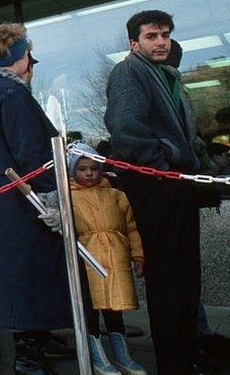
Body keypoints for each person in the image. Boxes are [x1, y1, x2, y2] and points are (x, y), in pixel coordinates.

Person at [0, 23, 71, 374]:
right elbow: (30, 150)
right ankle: (28, 355)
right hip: (25, 199)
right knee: (31, 272)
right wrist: (50, 197)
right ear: (20, 56)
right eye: (28, 54)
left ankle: (36, 338)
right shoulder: (12, 94)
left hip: (5, 199)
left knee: (21, 271)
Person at [105, 10, 202, 374]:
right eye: (151, 36)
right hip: (158, 187)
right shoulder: (129, 72)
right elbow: (126, 131)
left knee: (186, 281)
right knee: (169, 284)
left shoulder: (166, 74)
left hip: (178, 186)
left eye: (165, 35)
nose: (161, 41)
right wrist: (165, 167)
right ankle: (174, 364)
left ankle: (186, 358)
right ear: (134, 43)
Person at [68, 144, 147, 375]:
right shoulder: (68, 197)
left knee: (114, 309)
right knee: (90, 311)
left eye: (94, 168)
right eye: (82, 168)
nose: (89, 173)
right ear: (73, 170)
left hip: (115, 260)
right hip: (86, 262)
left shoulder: (116, 195)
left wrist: (138, 255)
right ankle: (97, 356)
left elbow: (132, 227)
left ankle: (122, 354)